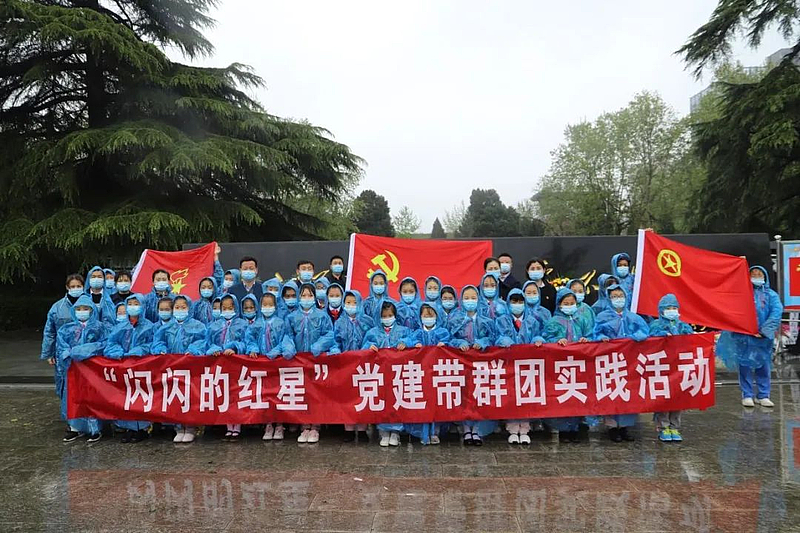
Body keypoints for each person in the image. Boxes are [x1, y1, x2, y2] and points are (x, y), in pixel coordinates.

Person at [717, 266, 783, 409]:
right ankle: (747, 394)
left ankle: (763, 395)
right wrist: (745, 329)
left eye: (759, 274)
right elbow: (733, 312)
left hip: (763, 338)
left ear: (765, 277)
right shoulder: (741, 295)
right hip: (744, 337)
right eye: (753, 274)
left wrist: (764, 331)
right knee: (745, 365)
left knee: (763, 365)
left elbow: (776, 313)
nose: (756, 277)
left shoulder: (771, 295)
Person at [594, 284, 649, 442]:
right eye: (614, 296)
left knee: (628, 391)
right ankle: (612, 427)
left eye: (620, 296)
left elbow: (645, 331)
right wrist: (601, 338)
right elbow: (595, 332)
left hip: (629, 361)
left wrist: (636, 337)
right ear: (608, 298)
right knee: (611, 391)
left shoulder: (633, 317)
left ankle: (625, 427)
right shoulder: (602, 317)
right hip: (609, 360)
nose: (618, 299)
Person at [151, 295, 208, 443]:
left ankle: (190, 427)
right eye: (177, 307)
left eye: (183, 307)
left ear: (189, 308)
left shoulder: (198, 326)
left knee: (189, 397)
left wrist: (193, 350)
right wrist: (161, 350)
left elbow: (203, 341)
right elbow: (158, 342)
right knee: (175, 396)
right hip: (172, 368)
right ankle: (178, 427)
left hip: (190, 368)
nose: (180, 310)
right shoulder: (167, 327)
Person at [285, 283, 335, 443]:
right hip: (299, 361)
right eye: (303, 295)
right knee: (303, 393)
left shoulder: (322, 316)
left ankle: (316, 426)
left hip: (316, 360)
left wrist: (320, 345)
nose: (306, 298)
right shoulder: (292, 317)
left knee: (316, 393)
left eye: (309, 295)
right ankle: (304, 425)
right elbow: (287, 335)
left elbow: (329, 334)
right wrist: (289, 346)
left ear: (314, 297)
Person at [544, 288, 594, 443]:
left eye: (572, 303)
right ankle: (564, 430)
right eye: (566, 303)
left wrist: (587, 339)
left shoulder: (582, 319)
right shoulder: (554, 321)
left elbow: (592, 335)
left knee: (578, 394)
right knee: (563, 395)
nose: (569, 306)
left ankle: (576, 427)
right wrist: (557, 340)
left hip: (579, 364)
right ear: (559, 304)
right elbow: (546, 338)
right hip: (561, 366)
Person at [496, 288, 546, 445]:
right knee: (511, 396)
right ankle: (512, 430)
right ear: (508, 303)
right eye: (514, 301)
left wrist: (538, 339)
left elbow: (540, 333)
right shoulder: (501, 320)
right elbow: (495, 336)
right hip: (509, 364)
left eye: (520, 301)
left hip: (527, 364)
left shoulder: (532, 320)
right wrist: (502, 340)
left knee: (525, 394)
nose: (517, 304)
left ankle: (524, 429)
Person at [449, 285, 497, 446]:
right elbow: (448, 337)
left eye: (473, 298)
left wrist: (483, 342)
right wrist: (459, 342)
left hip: (481, 363)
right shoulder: (455, 320)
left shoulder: (486, 320)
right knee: (464, 395)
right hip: (462, 363)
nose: (470, 301)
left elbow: (493, 337)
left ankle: (477, 429)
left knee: (479, 394)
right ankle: (466, 428)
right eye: (466, 298)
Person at [105, 294, 155, 443]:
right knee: (126, 397)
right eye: (130, 304)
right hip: (124, 367)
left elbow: (153, 343)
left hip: (142, 367)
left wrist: (140, 350)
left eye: (136, 303)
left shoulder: (149, 326)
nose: (133, 307)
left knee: (141, 396)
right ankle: (128, 428)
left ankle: (142, 429)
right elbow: (111, 343)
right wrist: (117, 352)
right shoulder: (120, 326)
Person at [246, 292, 296, 441]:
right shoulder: (256, 324)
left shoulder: (281, 323)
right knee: (265, 395)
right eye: (264, 305)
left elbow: (287, 339)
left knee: (278, 394)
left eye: (270, 305)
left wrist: (277, 351)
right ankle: (268, 424)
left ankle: (279, 424)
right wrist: (253, 349)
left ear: (275, 306)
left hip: (277, 364)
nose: (267, 307)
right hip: (261, 365)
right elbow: (249, 339)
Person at [56, 294, 106, 443]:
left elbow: (104, 344)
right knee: (73, 396)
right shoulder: (66, 329)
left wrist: (84, 350)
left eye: (85, 308)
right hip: (74, 369)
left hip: (92, 369)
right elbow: (61, 347)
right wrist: (69, 354)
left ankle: (95, 428)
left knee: (93, 397)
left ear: (92, 310)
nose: (82, 311)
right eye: (78, 308)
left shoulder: (99, 327)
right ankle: (74, 428)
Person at [361, 301, 411, 447]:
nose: (387, 318)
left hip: (397, 373)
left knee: (397, 399)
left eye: (390, 315)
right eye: (384, 316)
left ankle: (396, 432)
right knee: (382, 400)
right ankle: (383, 431)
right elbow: (363, 347)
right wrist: (368, 347)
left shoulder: (403, 331)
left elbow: (412, 340)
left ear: (395, 315)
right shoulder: (372, 332)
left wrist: (405, 343)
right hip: (380, 374)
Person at [649, 293, 694, 442]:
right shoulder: (656, 325)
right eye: (668, 308)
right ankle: (663, 427)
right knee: (664, 398)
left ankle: (674, 426)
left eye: (674, 308)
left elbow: (692, 339)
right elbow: (650, 339)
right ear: (661, 310)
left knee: (677, 398)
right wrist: (661, 335)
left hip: (679, 367)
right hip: (662, 367)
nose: (672, 310)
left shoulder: (683, 326)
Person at [330, 289, 374, 442]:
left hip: (363, 364)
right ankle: (348, 428)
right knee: (347, 396)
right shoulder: (339, 322)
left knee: (362, 396)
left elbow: (373, 338)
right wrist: (335, 350)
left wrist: (366, 348)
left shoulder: (367, 321)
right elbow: (335, 340)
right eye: (348, 302)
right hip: (345, 364)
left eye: (354, 302)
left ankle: (362, 429)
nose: (351, 305)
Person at [405, 303, 451, 445]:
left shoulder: (443, 332)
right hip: (421, 374)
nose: (428, 318)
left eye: (431, 315)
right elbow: (408, 341)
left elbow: (451, 343)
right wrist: (413, 345)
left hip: (438, 374)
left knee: (437, 402)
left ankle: (435, 432)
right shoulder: (417, 333)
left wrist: (445, 345)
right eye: (425, 315)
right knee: (423, 401)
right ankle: (422, 432)